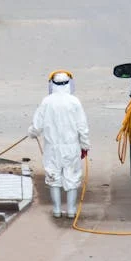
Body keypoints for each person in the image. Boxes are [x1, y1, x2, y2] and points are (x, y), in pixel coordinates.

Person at [28, 71, 90, 219]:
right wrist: (85, 145)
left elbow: (37, 126)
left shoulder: (46, 101)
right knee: (72, 177)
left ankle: (56, 210)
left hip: (52, 147)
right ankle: (71, 210)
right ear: (69, 83)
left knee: (53, 176)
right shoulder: (74, 101)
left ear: (52, 84)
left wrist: (31, 133)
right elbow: (83, 127)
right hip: (72, 147)